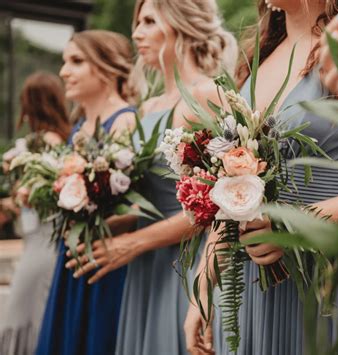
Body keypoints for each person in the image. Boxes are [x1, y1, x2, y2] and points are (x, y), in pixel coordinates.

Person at [185, 1, 338, 354]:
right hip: (257, 293)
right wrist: (204, 286)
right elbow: (233, 185)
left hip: (337, 285)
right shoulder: (259, 57)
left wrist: (294, 226)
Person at [65, 1, 237, 354]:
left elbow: (222, 203)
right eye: (136, 22)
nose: (136, 33)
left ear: (179, 24)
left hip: (187, 261)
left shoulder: (209, 96)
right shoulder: (148, 107)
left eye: (148, 21)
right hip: (143, 266)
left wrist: (134, 242)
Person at [35, 30, 136, 355]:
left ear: (107, 68)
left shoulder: (126, 123)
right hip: (73, 258)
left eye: (76, 61)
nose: (64, 71)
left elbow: (138, 210)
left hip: (105, 265)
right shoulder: (78, 126)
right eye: (65, 61)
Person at [0, 71, 70, 355]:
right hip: (36, 240)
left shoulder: (45, 142)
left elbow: (38, 197)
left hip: (44, 241)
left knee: (22, 315)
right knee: (29, 314)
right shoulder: (56, 140)